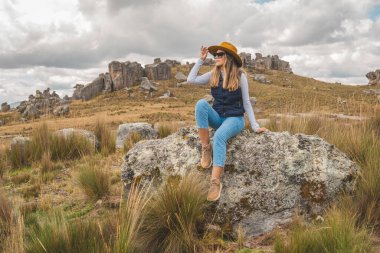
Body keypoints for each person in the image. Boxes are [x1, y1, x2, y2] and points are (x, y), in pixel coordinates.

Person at [187, 41, 269, 201]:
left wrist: (255, 126)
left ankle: (215, 181)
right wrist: (200, 60)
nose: (216, 57)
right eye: (215, 55)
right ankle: (206, 148)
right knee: (201, 104)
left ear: (228, 57)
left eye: (219, 54)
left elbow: (246, 103)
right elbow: (191, 80)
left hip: (235, 119)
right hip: (218, 117)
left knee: (219, 137)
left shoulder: (240, 76)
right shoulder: (213, 74)